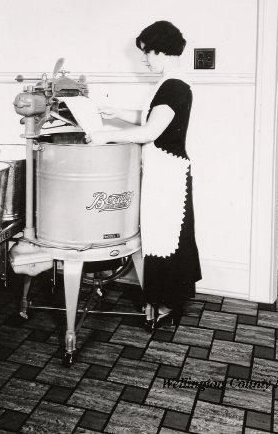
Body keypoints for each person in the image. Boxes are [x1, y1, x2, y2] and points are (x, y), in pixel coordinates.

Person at [86, 20, 202, 331]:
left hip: (168, 173)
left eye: (147, 53)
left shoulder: (173, 86)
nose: (144, 59)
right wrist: (117, 113)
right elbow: (153, 117)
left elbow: (151, 130)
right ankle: (165, 300)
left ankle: (167, 304)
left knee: (165, 237)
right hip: (166, 170)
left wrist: (107, 136)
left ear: (161, 51)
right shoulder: (172, 83)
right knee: (162, 235)